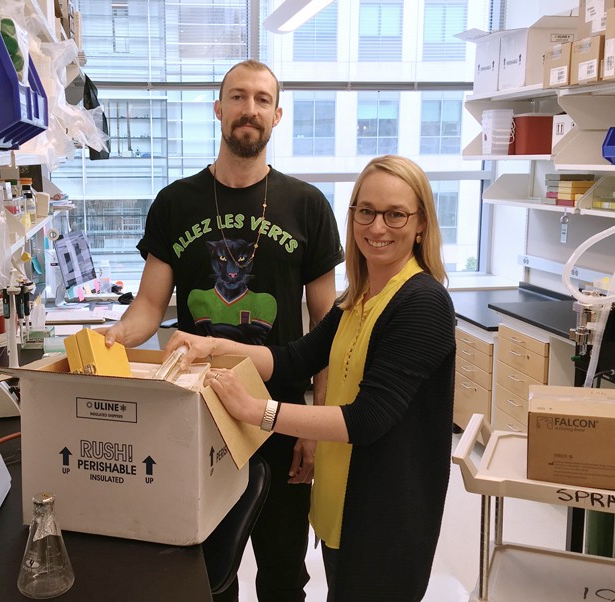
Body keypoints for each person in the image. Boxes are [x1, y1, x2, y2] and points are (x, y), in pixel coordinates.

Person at [103, 59, 344, 601]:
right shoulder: (175, 203)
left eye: (261, 100)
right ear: (218, 109)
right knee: (208, 574)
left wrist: (314, 424)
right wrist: (115, 337)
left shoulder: (307, 206)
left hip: (280, 415)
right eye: (238, 97)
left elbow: (326, 328)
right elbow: (147, 306)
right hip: (197, 415)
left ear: (277, 115)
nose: (249, 110)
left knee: (284, 574)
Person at [164, 154, 456, 601]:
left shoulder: (421, 303)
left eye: (395, 214)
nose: (377, 227)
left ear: (420, 224)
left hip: (387, 518)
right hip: (343, 508)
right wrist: (211, 347)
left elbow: (367, 418)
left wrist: (257, 412)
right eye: (366, 211)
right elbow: (293, 358)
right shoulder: (357, 299)